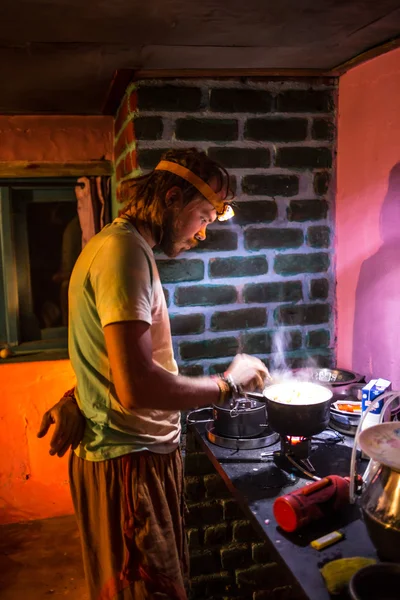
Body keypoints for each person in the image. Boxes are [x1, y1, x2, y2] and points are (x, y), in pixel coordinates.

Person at [37, 148, 269, 600]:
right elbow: (137, 386)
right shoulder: (124, 253)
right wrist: (228, 385)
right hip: (130, 462)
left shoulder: (117, 245)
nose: (202, 233)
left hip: (134, 455)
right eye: (202, 215)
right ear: (171, 198)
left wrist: (76, 398)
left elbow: (108, 363)